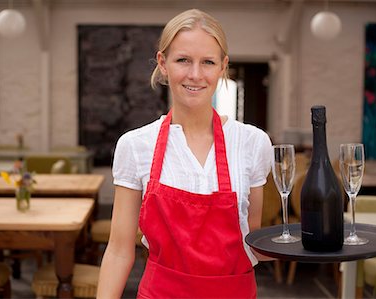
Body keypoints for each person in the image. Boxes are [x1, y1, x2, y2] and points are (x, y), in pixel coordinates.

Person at [97, 8, 272, 299]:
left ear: (222, 67)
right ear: (163, 64)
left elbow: (250, 240)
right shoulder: (136, 145)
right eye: (183, 60)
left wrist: (310, 245)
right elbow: (118, 250)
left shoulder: (252, 142)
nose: (195, 74)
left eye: (208, 62)